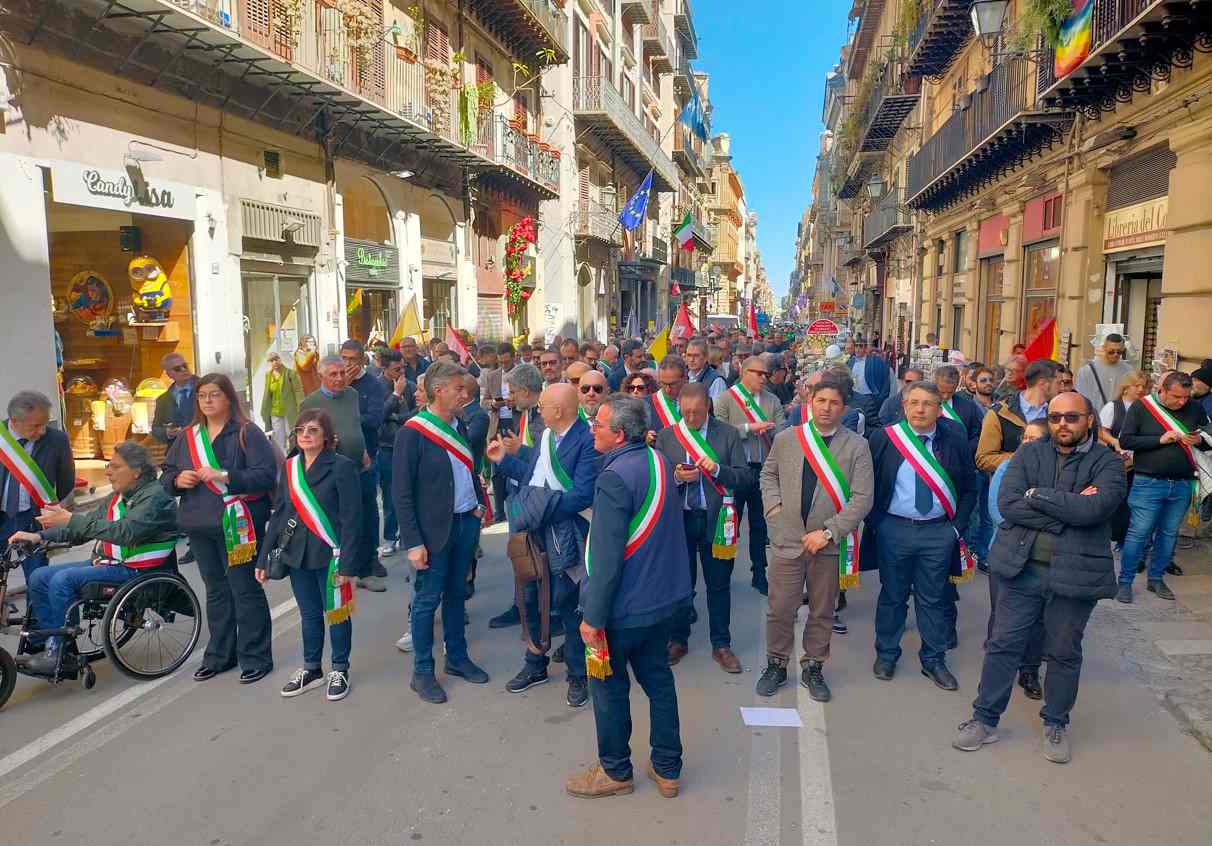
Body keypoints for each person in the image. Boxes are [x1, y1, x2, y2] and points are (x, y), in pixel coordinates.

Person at [954, 392, 1126, 763]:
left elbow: (1097, 508)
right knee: (1002, 644)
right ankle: (984, 719)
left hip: (1076, 575)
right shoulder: (1029, 454)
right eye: (1055, 417)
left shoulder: (1108, 463)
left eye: (1072, 417)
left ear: (1090, 420)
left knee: (1063, 652)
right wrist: (1069, 510)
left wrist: (1041, 497)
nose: (1062, 424)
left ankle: (1056, 722)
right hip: (1021, 569)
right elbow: (1009, 504)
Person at [566, 395, 690, 800]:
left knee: (608, 688)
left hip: (622, 609)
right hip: (661, 601)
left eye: (598, 425)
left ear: (619, 435)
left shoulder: (614, 477)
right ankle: (668, 768)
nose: (592, 429)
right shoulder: (656, 459)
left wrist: (593, 617)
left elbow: (605, 557)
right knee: (659, 682)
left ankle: (616, 770)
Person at [756, 373, 873, 701]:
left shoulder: (857, 446)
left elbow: (862, 498)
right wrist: (773, 509)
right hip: (787, 539)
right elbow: (769, 474)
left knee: (822, 610)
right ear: (810, 402)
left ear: (844, 408)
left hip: (829, 544)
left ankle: (813, 665)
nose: (826, 408)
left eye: (834, 403)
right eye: (821, 401)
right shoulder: (788, 439)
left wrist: (829, 532)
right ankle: (777, 663)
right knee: (780, 608)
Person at [15, 441, 176, 675]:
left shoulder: (154, 498)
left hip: (134, 569)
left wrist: (70, 519)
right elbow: (82, 530)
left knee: (63, 580)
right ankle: (53, 642)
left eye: (115, 467)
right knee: (39, 576)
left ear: (136, 471)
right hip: (108, 562)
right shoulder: (117, 496)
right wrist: (38, 536)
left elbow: (125, 533)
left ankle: (59, 652)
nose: (107, 472)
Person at [162, 374, 275, 684]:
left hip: (238, 524)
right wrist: (176, 480)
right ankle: (220, 655)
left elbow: (265, 476)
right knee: (216, 591)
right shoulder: (188, 437)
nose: (208, 400)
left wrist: (224, 475)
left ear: (228, 398)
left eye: (214, 394)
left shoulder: (246, 433)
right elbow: (166, 474)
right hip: (199, 524)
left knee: (244, 589)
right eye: (202, 396)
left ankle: (255, 656)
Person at [490, 383, 598, 706]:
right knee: (531, 598)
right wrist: (504, 461)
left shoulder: (587, 442)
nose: (538, 409)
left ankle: (578, 675)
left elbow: (581, 495)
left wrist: (537, 509)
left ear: (560, 410)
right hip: (537, 533)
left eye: (544, 405)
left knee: (568, 604)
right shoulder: (545, 436)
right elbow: (533, 479)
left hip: (569, 535)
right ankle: (535, 663)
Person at [394, 361, 491, 704]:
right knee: (426, 602)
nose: (466, 395)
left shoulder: (460, 425)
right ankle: (422, 671)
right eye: (459, 389)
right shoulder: (413, 432)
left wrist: (479, 506)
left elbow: (469, 470)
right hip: (432, 531)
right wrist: (413, 542)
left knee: (456, 594)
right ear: (439, 390)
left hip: (464, 522)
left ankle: (457, 658)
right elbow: (401, 493)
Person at [867, 382, 974, 691]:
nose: (920, 409)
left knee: (934, 598)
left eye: (928, 403)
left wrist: (956, 528)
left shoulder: (954, 438)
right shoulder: (885, 439)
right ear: (904, 406)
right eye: (914, 402)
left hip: (938, 533)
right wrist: (879, 525)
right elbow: (867, 485)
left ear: (939, 410)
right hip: (894, 530)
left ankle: (934, 660)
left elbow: (969, 487)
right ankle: (886, 655)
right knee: (893, 595)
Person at [255, 410, 359, 700]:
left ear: (326, 436)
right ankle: (312, 668)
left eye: (313, 430)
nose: (305, 435)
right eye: (300, 430)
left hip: (330, 554)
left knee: (336, 613)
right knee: (309, 614)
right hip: (296, 554)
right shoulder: (290, 468)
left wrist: (348, 563)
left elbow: (352, 518)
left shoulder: (341, 467)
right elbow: (279, 515)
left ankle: (340, 668)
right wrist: (263, 557)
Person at [655, 383, 749, 673]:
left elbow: (745, 478)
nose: (692, 418)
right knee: (680, 584)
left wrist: (715, 470)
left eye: (697, 412)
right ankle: (678, 639)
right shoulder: (667, 436)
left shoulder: (728, 434)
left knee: (718, 585)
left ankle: (721, 644)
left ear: (707, 406)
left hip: (717, 521)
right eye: (686, 412)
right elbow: (656, 482)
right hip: (679, 522)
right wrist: (678, 478)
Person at [1117, 371, 1211, 602]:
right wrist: (1159, 439)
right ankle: (1125, 582)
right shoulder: (1141, 408)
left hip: (1182, 483)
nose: (1182, 402)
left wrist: (1199, 440)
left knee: (1169, 534)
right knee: (1138, 533)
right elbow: (1125, 441)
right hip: (1148, 482)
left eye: (1186, 397)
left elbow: (1209, 435)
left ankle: (1156, 579)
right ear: (1162, 391)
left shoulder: (1195, 408)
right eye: (1177, 397)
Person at [298, 356, 381, 592]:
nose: (340, 378)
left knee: (365, 517)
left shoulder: (352, 395)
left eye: (342, 373)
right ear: (321, 376)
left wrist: (363, 450)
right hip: (333, 471)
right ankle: (340, 569)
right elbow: (303, 440)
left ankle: (365, 569)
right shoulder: (311, 403)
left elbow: (355, 426)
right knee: (341, 521)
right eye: (333, 374)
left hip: (360, 466)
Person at [985, 418, 1051, 701]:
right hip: (1007, 550)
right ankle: (996, 665)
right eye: (1025, 437)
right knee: (1001, 613)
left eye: (1035, 438)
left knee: (1037, 619)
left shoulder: (1054, 472)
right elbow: (999, 510)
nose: (1027, 442)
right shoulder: (1006, 466)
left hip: (1040, 558)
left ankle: (1029, 670)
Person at [716, 356, 786, 595]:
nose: (764, 378)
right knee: (729, 523)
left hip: (762, 470)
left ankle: (759, 573)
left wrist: (773, 430)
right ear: (744, 372)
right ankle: (723, 572)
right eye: (759, 374)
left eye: (766, 374)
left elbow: (782, 431)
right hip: (736, 471)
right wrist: (748, 429)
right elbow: (719, 434)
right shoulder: (726, 399)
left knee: (760, 524)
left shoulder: (772, 400)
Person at [487, 363, 546, 630]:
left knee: (528, 553)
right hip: (517, 490)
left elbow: (544, 463)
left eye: (511, 391)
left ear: (524, 390)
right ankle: (521, 605)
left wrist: (518, 450)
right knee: (519, 553)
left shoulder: (542, 418)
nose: (508, 397)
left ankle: (532, 611)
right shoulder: (526, 413)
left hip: (531, 494)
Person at [1, 390, 75, 584]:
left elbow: (66, 479)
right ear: (15, 421)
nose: (42, 431)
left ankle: (35, 615)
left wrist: (51, 512)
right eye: (36, 426)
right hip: (2, 516)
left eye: (44, 423)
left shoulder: (57, 440)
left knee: (37, 576)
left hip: (32, 517)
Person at [340, 340, 387, 586]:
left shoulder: (373, 384)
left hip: (366, 457)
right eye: (343, 358)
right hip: (338, 460)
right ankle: (350, 561)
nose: (346, 364)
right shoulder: (334, 383)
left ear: (361, 361)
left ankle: (370, 560)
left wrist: (349, 399)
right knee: (346, 513)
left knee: (368, 510)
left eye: (351, 360)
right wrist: (342, 389)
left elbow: (374, 419)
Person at [976, 359, 1063, 475]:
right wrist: (1024, 458)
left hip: (1047, 488)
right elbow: (984, 459)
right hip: (1009, 486)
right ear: (1043, 384)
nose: (1062, 388)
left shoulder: (1058, 413)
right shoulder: (999, 413)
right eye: (1058, 382)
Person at [376, 350, 413, 556]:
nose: (400, 373)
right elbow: (379, 415)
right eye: (396, 369)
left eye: (403, 368)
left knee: (407, 491)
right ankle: (390, 536)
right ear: (384, 368)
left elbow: (415, 412)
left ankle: (406, 535)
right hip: (386, 446)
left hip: (406, 443)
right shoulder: (377, 387)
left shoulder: (410, 385)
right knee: (390, 493)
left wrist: (397, 417)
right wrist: (395, 395)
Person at [259, 352, 305, 452]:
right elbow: (267, 394)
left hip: (290, 411)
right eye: (271, 360)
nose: (274, 362)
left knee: (292, 436)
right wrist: (264, 410)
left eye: (276, 359)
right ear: (269, 362)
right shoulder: (268, 375)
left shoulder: (290, 373)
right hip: (275, 412)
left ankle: (295, 459)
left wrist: (301, 407)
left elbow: (298, 391)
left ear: (280, 359)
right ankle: (282, 462)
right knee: (278, 440)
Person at [151, 352, 198, 446]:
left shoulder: (205, 388)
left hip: (204, 448)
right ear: (169, 374)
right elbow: (155, 429)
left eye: (185, 366)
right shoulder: (163, 400)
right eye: (177, 369)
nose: (184, 370)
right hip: (176, 450)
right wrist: (168, 432)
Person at [1097, 369, 1149, 453]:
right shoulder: (1112, 407)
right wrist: (1114, 442)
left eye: (1143, 386)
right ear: (1125, 388)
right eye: (1137, 386)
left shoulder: (1146, 408)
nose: (1141, 389)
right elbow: (1101, 431)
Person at [1075, 333, 1131, 410]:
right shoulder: (1087, 371)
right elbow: (1080, 399)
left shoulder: (1128, 371)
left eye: (1119, 352)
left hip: (1118, 418)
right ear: (1104, 348)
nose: (1115, 355)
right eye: (1111, 352)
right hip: (1095, 418)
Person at [847, 337, 892, 424]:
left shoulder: (875, 361)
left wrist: (881, 398)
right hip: (855, 398)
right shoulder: (850, 362)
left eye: (861, 346)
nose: (858, 349)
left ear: (866, 348)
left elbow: (886, 380)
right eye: (856, 346)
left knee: (871, 423)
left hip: (871, 398)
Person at [648, 355, 687, 432]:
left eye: (673, 384)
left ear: (684, 378)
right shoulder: (647, 404)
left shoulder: (699, 401)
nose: (667, 389)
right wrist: (646, 438)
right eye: (663, 384)